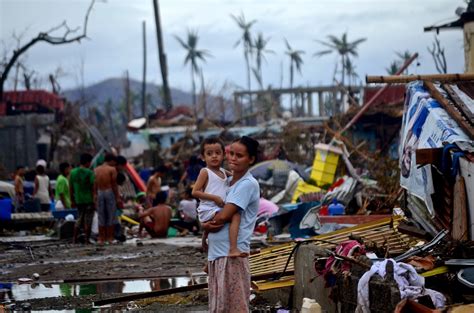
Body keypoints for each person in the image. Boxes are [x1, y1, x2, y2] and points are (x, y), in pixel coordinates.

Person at [202, 136, 260, 313]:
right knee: (220, 307)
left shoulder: (246, 184)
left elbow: (223, 216)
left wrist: (205, 225)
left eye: (239, 155)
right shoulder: (227, 182)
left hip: (232, 256)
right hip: (218, 254)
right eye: (231, 153)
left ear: (251, 159)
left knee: (235, 307)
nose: (233, 158)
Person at [192, 137, 243, 257]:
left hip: (218, 209)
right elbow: (195, 192)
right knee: (235, 216)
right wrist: (214, 198)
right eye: (209, 154)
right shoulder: (205, 172)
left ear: (224, 155)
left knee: (222, 225)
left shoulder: (224, 172)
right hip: (208, 209)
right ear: (203, 157)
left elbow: (238, 178)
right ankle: (234, 248)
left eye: (217, 153)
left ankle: (206, 241)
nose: (214, 156)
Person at [94, 153, 121, 244]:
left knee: (101, 216)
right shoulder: (112, 169)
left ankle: (101, 238)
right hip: (109, 192)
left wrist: (94, 195)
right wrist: (117, 197)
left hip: (99, 192)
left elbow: (94, 184)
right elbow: (114, 184)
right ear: (111, 161)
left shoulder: (96, 169)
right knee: (111, 216)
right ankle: (110, 238)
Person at [69, 153, 95, 244]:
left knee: (79, 219)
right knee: (88, 220)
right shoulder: (90, 173)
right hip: (89, 200)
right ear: (88, 162)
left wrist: (72, 200)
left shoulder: (72, 172)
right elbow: (93, 188)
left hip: (78, 200)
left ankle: (74, 239)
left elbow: (70, 188)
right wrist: (95, 200)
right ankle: (87, 240)